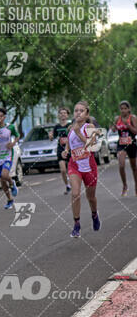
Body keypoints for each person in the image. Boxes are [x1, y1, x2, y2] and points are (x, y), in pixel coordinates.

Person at [62, 100, 100, 238]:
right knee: (75, 194)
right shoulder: (71, 128)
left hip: (89, 166)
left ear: (86, 113)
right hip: (75, 165)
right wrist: (65, 151)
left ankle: (94, 214)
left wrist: (79, 133)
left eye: (81, 110)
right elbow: (69, 145)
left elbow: (92, 145)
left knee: (91, 197)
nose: (78, 113)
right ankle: (76, 224)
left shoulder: (89, 126)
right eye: (76, 110)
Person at [111, 100, 137, 196]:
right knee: (121, 165)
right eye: (121, 109)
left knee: (134, 167)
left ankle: (136, 187)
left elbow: (136, 131)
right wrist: (113, 127)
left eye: (125, 108)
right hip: (121, 144)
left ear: (129, 109)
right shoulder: (118, 118)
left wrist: (128, 126)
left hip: (132, 144)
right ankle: (125, 186)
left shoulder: (132, 118)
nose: (123, 110)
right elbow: (113, 129)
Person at [53, 107, 71, 194]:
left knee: (71, 170)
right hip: (60, 149)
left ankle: (74, 184)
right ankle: (67, 185)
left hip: (70, 150)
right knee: (63, 170)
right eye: (61, 113)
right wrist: (50, 136)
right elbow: (53, 137)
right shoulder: (57, 126)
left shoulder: (70, 125)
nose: (63, 114)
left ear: (67, 115)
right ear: (59, 115)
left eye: (65, 113)